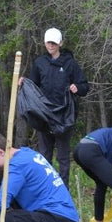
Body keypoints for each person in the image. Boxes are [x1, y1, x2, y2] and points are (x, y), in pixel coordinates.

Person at [25, 27, 89, 187]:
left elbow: (84, 86)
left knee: (63, 155)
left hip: (64, 116)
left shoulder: (70, 63)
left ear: (60, 43)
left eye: (54, 42)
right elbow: (33, 84)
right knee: (45, 154)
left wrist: (77, 87)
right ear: (44, 43)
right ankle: (47, 187)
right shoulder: (39, 63)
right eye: (48, 42)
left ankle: (63, 187)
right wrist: (23, 83)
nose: (51, 45)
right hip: (44, 115)